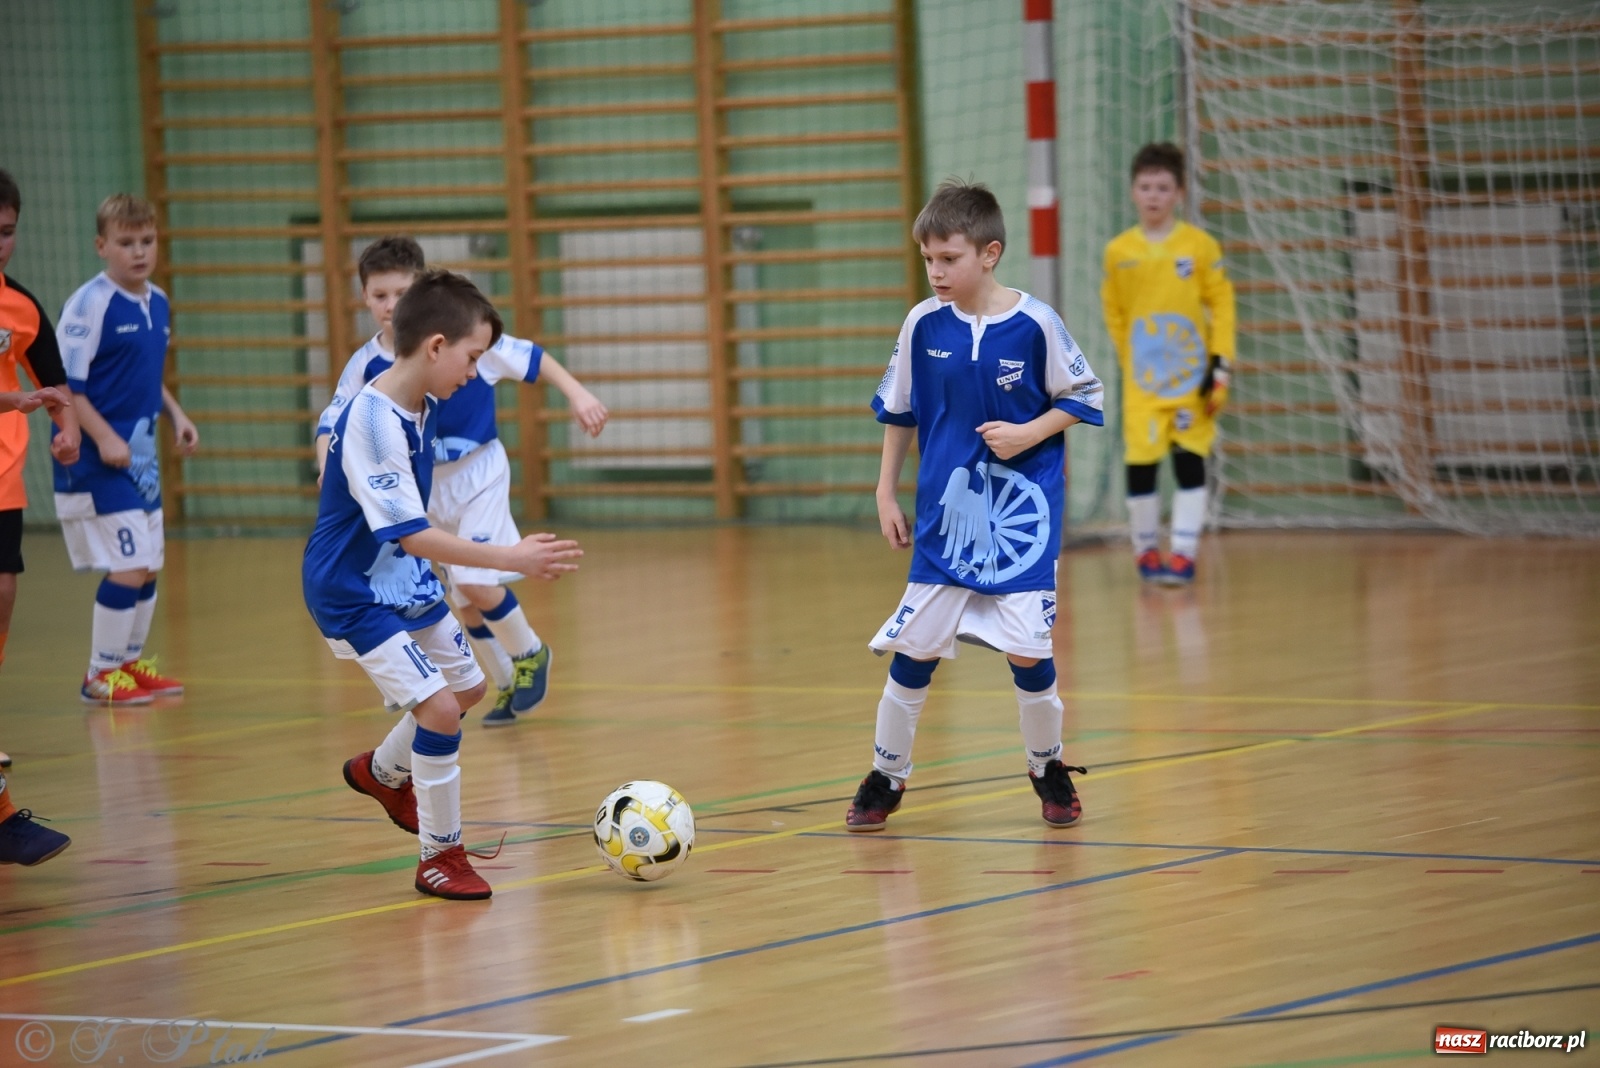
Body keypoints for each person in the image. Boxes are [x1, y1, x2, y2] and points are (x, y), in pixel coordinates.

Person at [305, 269, 581, 900]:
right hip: (353, 591)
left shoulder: (422, 404)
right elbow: (413, 534)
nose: (475, 372)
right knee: (437, 710)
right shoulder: (373, 421)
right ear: (435, 346)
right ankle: (440, 856)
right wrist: (509, 554)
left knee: (469, 688)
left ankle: (381, 773)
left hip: (402, 582)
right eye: (472, 357)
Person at [848, 178, 1104, 832]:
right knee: (916, 649)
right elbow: (899, 412)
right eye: (928, 259)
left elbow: (1084, 398)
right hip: (945, 520)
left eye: (949, 258)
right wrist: (885, 490)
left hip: (1022, 522)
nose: (936, 271)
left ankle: (1046, 765)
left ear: (988, 254)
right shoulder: (921, 324)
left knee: (1029, 652)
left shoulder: (1036, 324)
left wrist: (1029, 433)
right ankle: (886, 774)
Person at [314, 236, 606, 727]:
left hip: (479, 472)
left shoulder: (462, 337)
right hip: (424, 487)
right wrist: (329, 463)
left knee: (473, 579)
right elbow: (332, 421)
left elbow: (532, 357)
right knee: (461, 598)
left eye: (401, 294)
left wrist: (577, 395)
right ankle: (504, 682)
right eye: (380, 295)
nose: (391, 305)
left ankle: (530, 652)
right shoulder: (366, 368)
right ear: (364, 298)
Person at [52, 193, 198, 704]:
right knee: (130, 565)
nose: (138, 252)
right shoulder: (89, 304)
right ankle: (99, 675)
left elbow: (143, 377)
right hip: (94, 458)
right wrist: (103, 436)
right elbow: (68, 386)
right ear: (101, 246)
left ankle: (127, 665)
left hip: (139, 458)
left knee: (149, 563)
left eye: (147, 241)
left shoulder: (157, 301)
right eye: (125, 242)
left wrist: (175, 414)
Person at [1100, 142, 1236, 585]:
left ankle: (1183, 553)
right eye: (1145, 187)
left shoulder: (1199, 246)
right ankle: (1144, 550)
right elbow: (1115, 313)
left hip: (1191, 379)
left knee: (1189, 460)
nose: (1153, 195)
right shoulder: (1119, 251)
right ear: (1133, 192)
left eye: (1163, 187)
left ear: (1178, 193)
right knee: (1140, 461)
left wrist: (1220, 367)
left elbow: (1222, 305)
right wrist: (1130, 362)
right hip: (1144, 384)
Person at [0, 168, 78, 864]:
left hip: (2, 486)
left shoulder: (20, 306)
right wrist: (12, 403)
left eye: (6, 230)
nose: (0, 243)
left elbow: (54, 380)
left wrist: (68, 425)